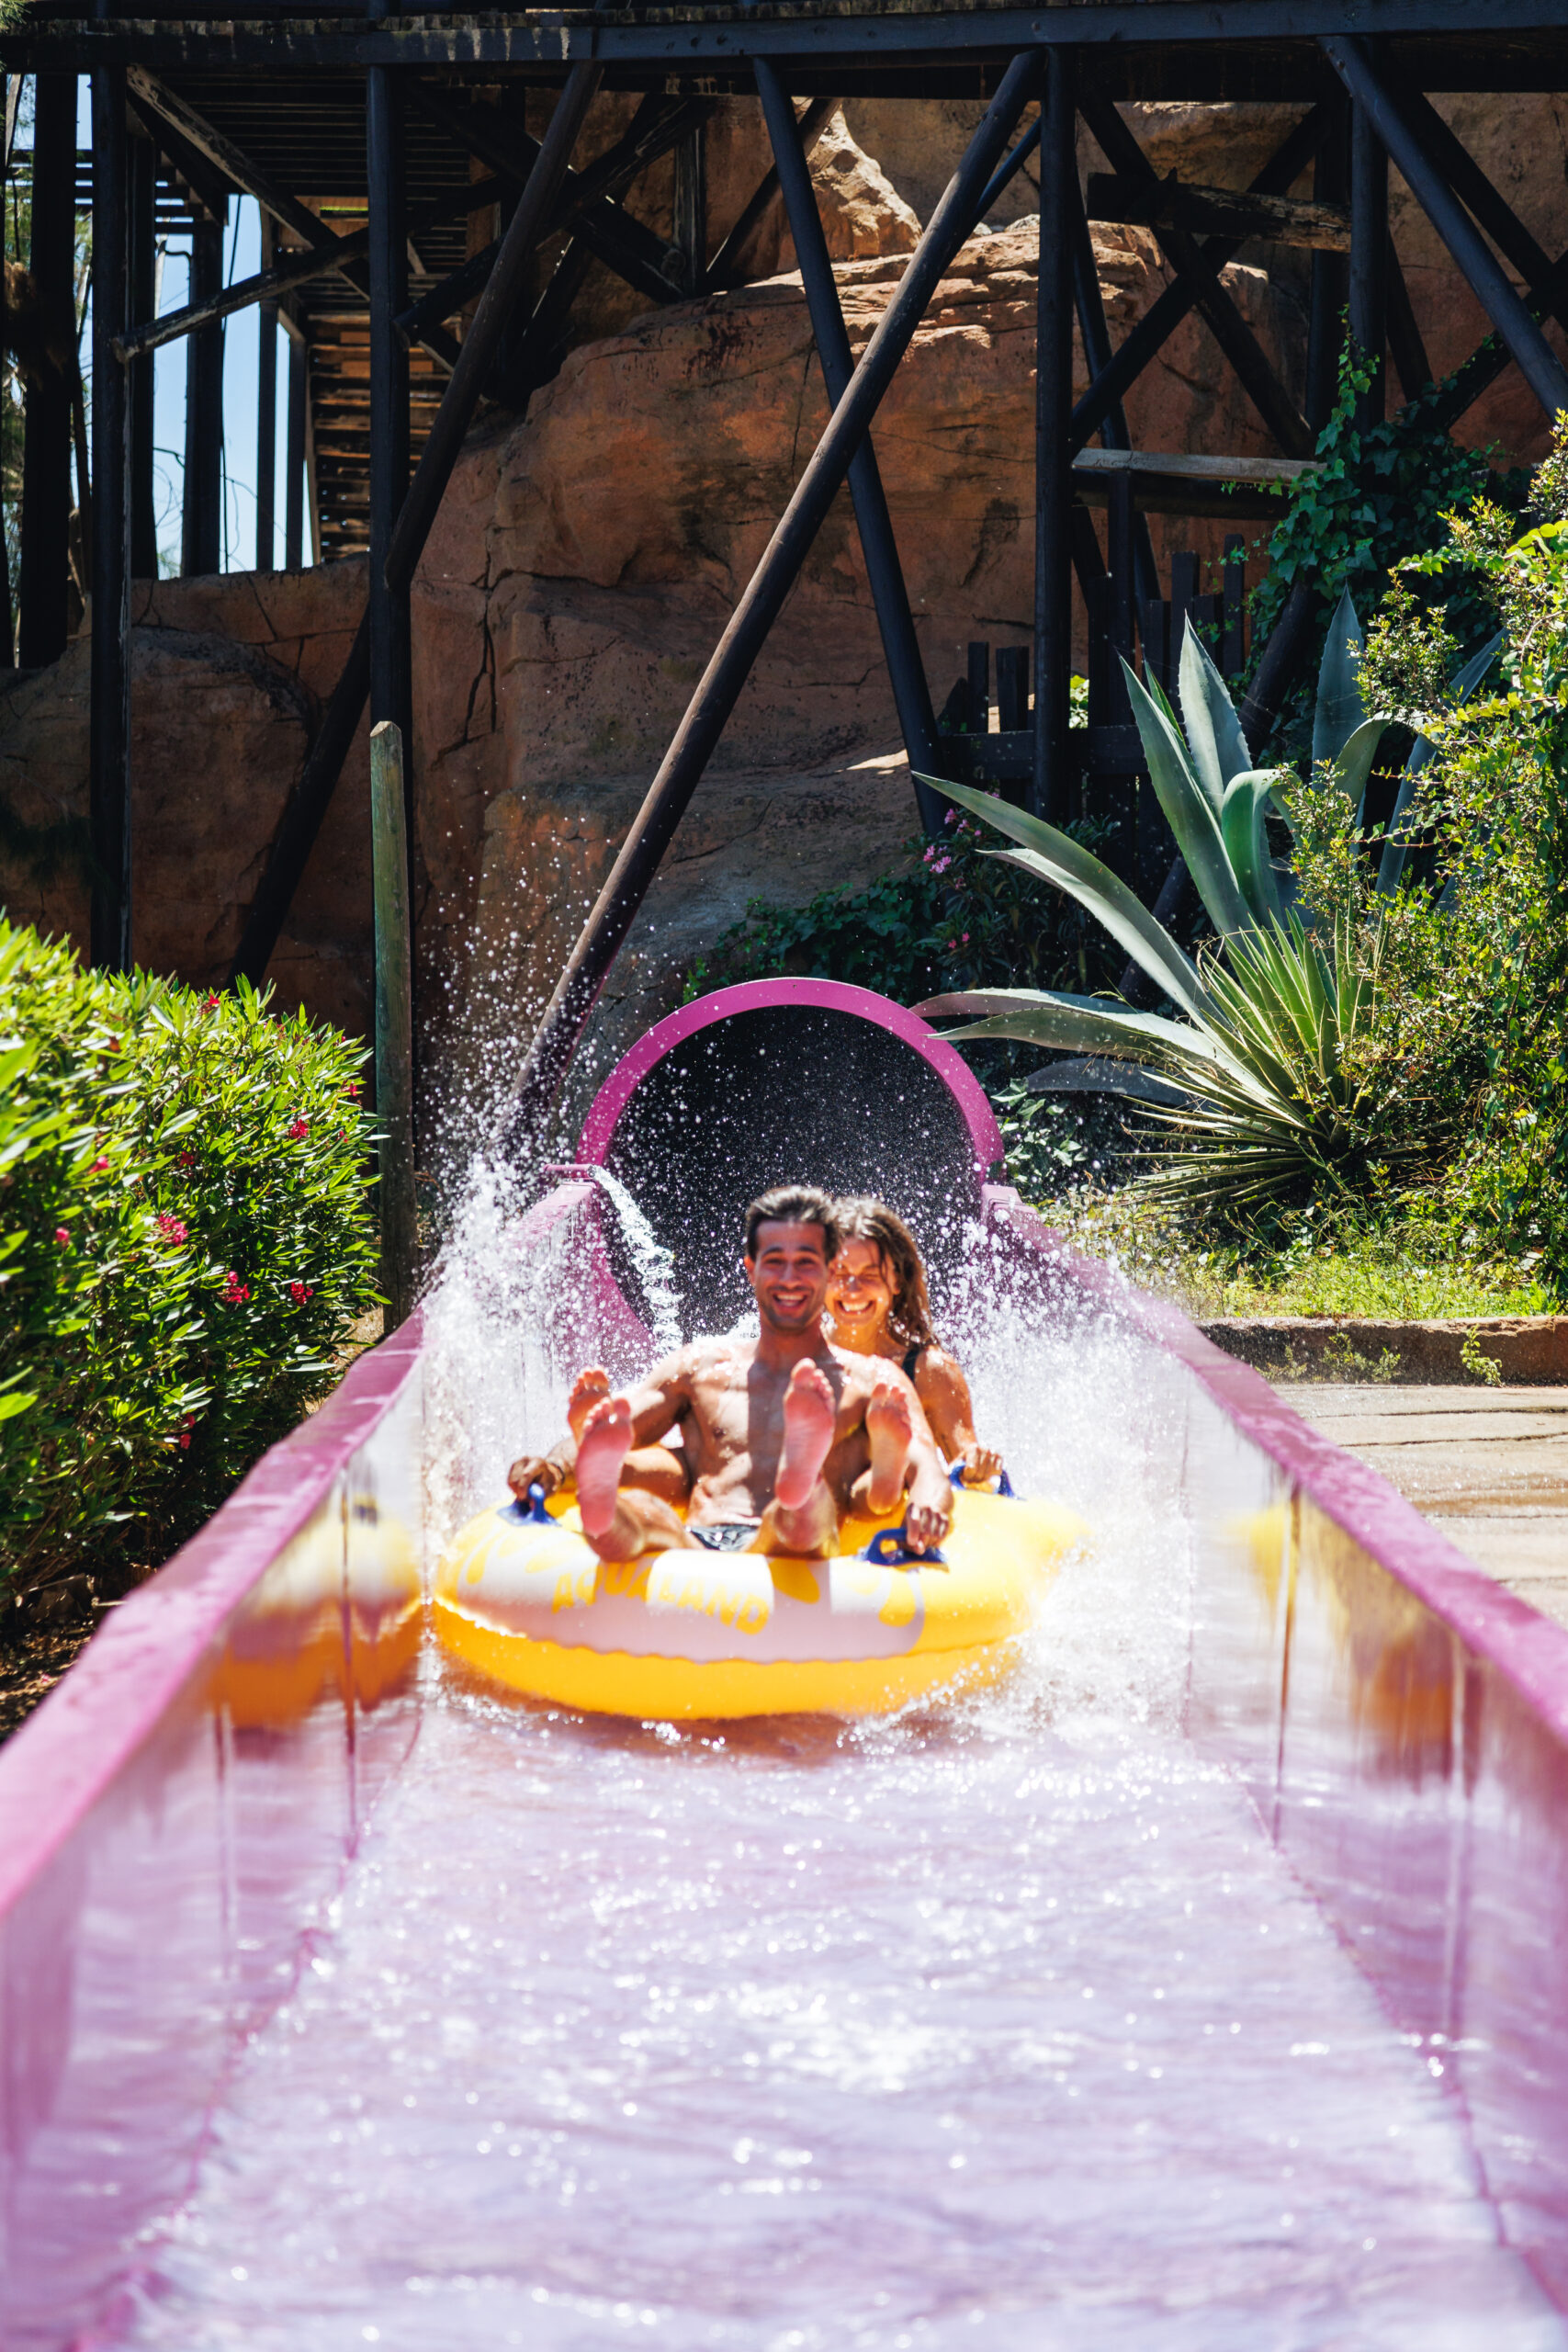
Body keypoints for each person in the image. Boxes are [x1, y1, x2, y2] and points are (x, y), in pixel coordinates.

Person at [507, 1185, 954, 1566]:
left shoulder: (869, 1379)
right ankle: (601, 1507)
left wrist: (928, 1506)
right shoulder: (701, 1366)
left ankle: (799, 1476)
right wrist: (554, 1466)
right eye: (775, 1261)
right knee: (642, 1511)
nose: (790, 1278)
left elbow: (924, 1464)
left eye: (806, 1262)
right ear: (750, 1268)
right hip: (699, 1543)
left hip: (795, 1550)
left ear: (828, 1269)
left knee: (800, 1512)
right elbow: (610, 1423)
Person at [826, 1197, 1004, 1488]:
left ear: (896, 1281)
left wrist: (975, 1466)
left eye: (869, 1275)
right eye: (839, 1273)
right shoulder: (797, 1356)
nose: (853, 1290)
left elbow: (965, 1465)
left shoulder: (929, 1372)